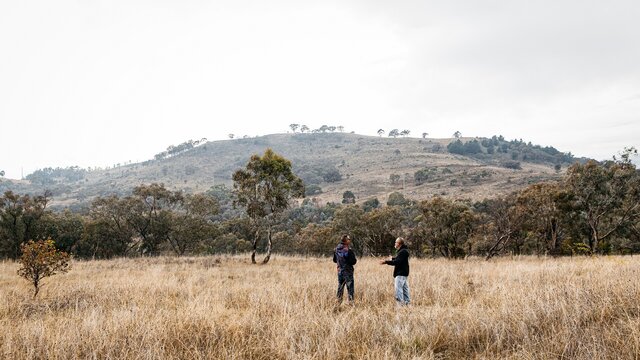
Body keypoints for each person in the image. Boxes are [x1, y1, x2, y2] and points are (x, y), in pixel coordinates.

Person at [380, 237, 410, 305]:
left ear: (399, 244)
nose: (395, 244)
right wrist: (392, 258)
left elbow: (397, 261)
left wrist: (386, 262)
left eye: (396, 242)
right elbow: (399, 259)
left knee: (398, 291)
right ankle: (407, 306)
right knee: (405, 291)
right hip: (403, 274)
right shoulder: (403, 251)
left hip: (400, 274)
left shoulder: (403, 252)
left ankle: (400, 307)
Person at [333, 234, 357, 304]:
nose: (350, 240)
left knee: (340, 287)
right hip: (348, 272)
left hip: (340, 271)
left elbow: (334, 260)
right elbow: (353, 261)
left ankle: (338, 302)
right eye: (349, 239)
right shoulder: (348, 250)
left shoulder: (336, 249)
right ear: (346, 241)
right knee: (350, 289)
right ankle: (351, 303)